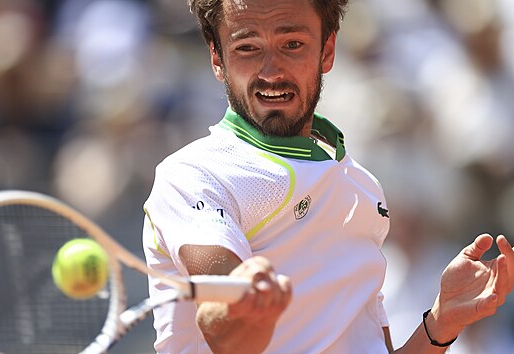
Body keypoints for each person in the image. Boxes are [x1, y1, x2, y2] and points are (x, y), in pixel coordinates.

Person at [141, 0, 514, 353]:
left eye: (292, 44)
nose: (271, 71)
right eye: (247, 48)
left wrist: (440, 323)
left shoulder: (362, 187)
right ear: (217, 57)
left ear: (327, 50)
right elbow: (226, 333)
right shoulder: (192, 176)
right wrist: (247, 301)